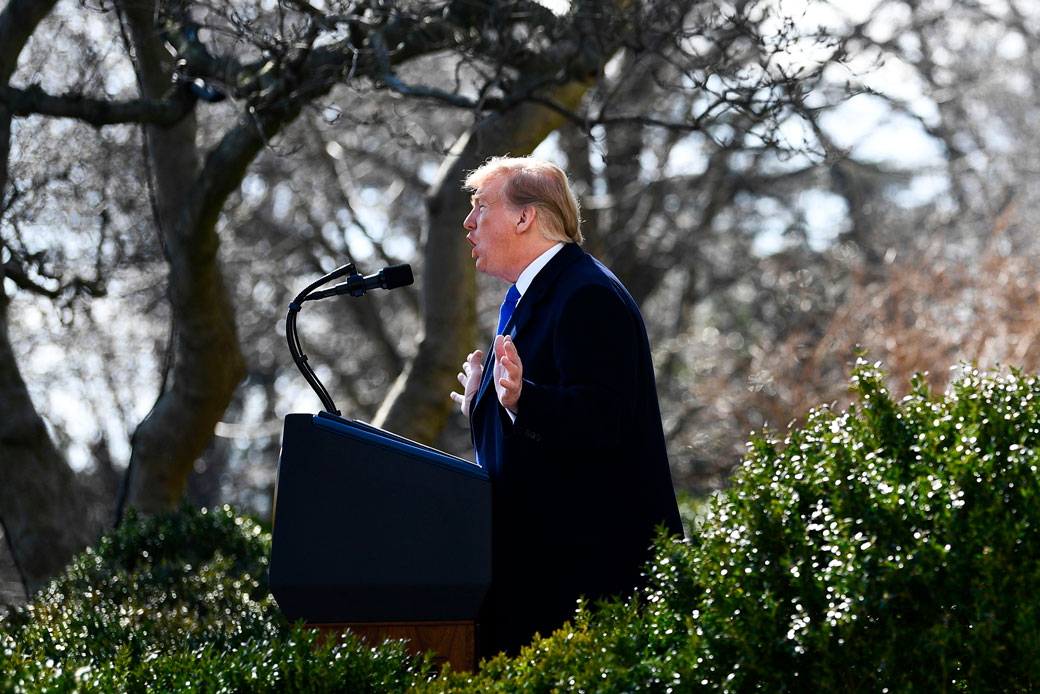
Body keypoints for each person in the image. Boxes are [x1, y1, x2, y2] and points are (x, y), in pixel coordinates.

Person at [450, 156, 683, 657]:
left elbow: (602, 419)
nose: (469, 223)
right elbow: (534, 434)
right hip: (535, 585)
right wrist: (484, 407)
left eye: (480, 207)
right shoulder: (539, 293)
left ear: (523, 217)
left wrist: (520, 399)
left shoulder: (586, 295)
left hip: (579, 595)